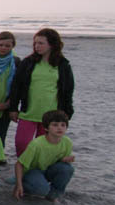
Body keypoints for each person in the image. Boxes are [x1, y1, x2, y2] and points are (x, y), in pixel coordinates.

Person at [9, 28, 74, 157]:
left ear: (52, 45)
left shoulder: (63, 65)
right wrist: (13, 108)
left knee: (43, 147)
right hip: (29, 111)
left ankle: (37, 167)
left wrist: (67, 112)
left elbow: (68, 90)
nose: (37, 46)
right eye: (35, 43)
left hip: (51, 115)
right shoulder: (28, 62)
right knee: (22, 143)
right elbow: (16, 86)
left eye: (41, 43)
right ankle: (24, 166)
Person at [13, 110, 75, 203]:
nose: (59, 128)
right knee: (42, 190)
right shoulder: (37, 144)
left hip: (48, 170)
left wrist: (64, 159)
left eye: (63, 125)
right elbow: (19, 164)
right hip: (32, 171)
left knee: (68, 169)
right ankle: (26, 186)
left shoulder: (67, 142)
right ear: (46, 128)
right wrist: (18, 185)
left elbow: (58, 163)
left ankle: (53, 195)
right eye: (55, 125)